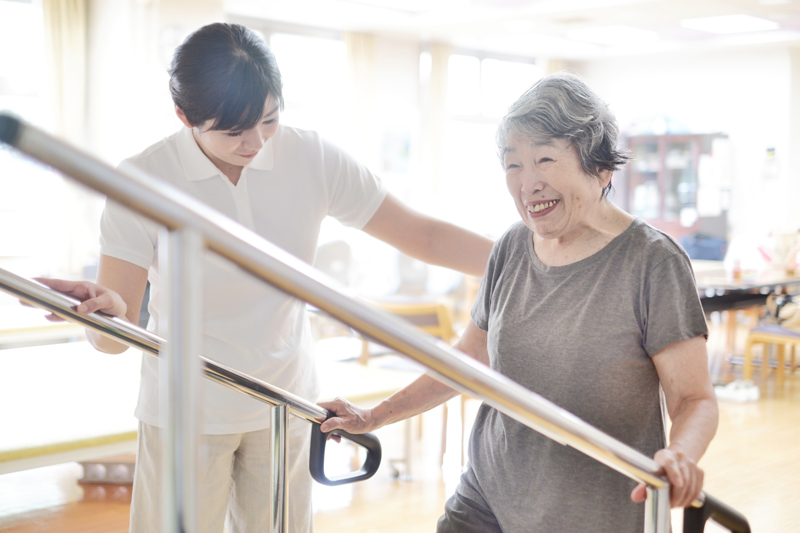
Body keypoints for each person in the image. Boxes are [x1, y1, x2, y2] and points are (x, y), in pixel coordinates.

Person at [38, 23, 493, 533]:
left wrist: (522, 261)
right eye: (233, 131)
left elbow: (422, 235)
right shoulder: (143, 179)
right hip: (185, 410)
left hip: (284, 401)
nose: (255, 142)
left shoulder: (312, 157)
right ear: (184, 116)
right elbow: (113, 341)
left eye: (269, 120)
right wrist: (106, 317)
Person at [320, 72, 719, 532]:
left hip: (594, 515)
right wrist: (375, 415)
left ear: (600, 167)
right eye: (513, 165)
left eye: (544, 159)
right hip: (487, 499)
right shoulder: (511, 247)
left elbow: (695, 398)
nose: (527, 184)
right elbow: (469, 360)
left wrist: (680, 455)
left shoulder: (652, 262)